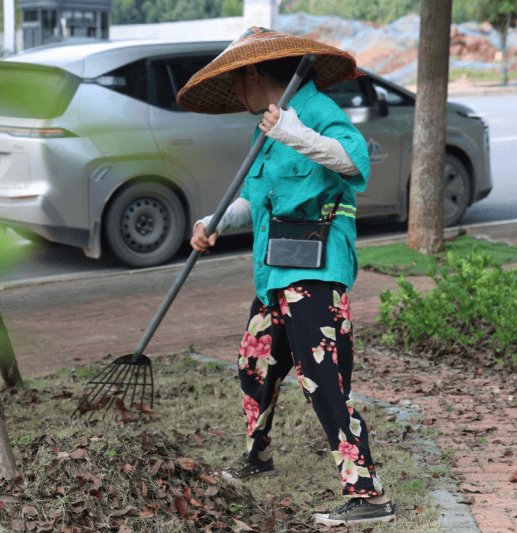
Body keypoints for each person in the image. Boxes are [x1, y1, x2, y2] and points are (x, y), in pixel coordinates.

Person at [176, 27, 395, 526]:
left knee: (323, 380)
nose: (236, 93)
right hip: (274, 270)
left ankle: (369, 496)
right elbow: (255, 199)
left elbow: (353, 161)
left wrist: (293, 132)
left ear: (253, 74)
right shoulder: (264, 130)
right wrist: (214, 223)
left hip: (316, 270)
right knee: (254, 362)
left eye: (237, 81)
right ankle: (258, 455)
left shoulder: (316, 112)